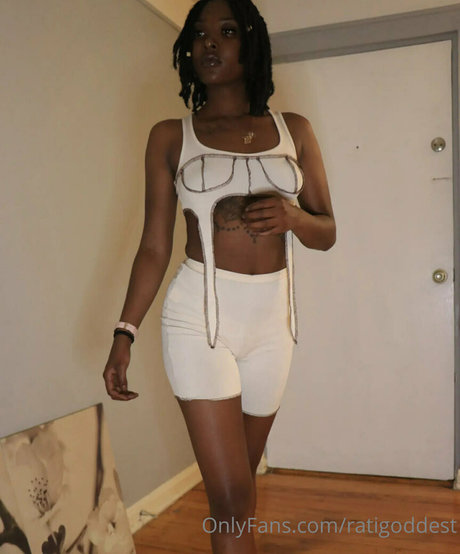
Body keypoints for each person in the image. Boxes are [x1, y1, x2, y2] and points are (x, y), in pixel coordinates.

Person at [103, 0, 336, 552]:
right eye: (199, 35)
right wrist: (124, 332)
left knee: (240, 495)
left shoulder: (295, 131)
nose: (209, 43)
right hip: (199, 322)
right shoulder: (170, 136)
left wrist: (294, 217)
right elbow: (154, 246)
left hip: (273, 329)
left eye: (226, 32)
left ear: (250, 44)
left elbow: (326, 231)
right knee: (230, 497)